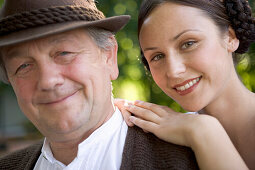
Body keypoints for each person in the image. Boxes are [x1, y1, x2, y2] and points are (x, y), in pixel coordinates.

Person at [0, 0, 199, 169]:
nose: (48, 81)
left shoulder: (192, 160)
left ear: (109, 57)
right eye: (23, 66)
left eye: (64, 53)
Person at [116, 0, 255, 169]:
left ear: (230, 37)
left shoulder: (195, 130)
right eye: (157, 56)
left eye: (188, 44)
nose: (174, 71)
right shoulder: (174, 140)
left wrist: (205, 131)